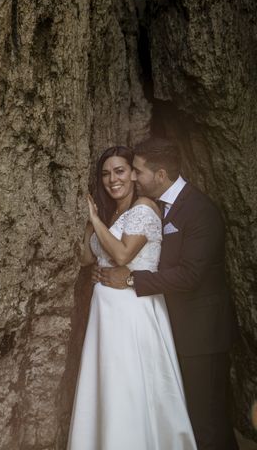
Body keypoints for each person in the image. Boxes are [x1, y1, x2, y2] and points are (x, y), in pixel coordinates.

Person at [98, 137, 238, 450]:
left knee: (208, 421)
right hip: (172, 327)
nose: (132, 177)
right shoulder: (161, 208)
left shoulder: (199, 210)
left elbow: (190, 275)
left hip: (202, 334)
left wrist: (133, 280)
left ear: (160, 175)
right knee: (188, 416)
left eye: (137, 171)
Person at [68, 145, 196, 450]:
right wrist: (91, 224)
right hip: (105, 313)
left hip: (133, 311)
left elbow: (123, 254)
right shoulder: (114, 213)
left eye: (120, 171)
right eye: (105, 174)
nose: (113, 179)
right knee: (108, 386)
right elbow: (88, 259)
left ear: (134, 175)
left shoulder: (144, 208)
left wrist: (95, 221)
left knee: (130, 385)